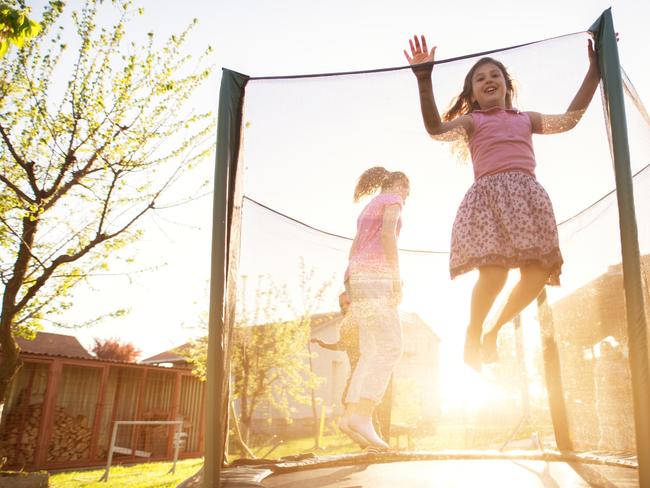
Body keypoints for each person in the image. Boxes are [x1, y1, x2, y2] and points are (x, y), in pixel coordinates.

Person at [403, 35, 601, 371]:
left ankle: (493, 330)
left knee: (537, 273)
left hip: (527, 200)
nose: (488, 80)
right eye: (480, 79)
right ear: (473, 95)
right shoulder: (473, 122)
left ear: (507, 85)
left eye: (494, 75)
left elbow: (569, 119)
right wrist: (425, 79)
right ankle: (474, 329)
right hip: (488, 201)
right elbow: (436, 128)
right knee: (493, 276)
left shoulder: (526, 119)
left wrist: (595, 71)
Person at [337, 166, 409, 449]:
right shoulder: (393, 199)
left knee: (371, 349)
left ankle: (350, 415)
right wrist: (395, 278)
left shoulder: (369, 206)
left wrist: (350, 282)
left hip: (356, 277)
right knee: (392, 346)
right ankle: (364, 414)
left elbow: (353, 250)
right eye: (407, 190)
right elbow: (388, 235)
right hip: (376, 276)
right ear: (399, 184)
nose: (407, 197)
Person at [311, 291, 394, 448]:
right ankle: (371, 444)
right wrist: (324, 344)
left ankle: (377, 444)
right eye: (341, 305)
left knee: (367, 409)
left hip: (368, 371)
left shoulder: (363, 321)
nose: (343, 307)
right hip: (357, 372)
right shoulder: (345, 326)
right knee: (349, 406)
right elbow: (342, 345)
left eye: (348, 303)